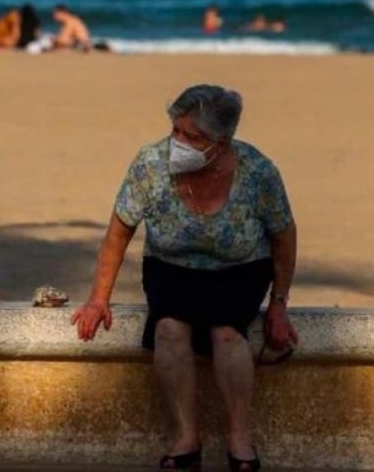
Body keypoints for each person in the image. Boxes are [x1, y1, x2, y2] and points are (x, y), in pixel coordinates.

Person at [71, 84, 298, 472]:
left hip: (239, 270)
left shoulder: (259, 172)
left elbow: (284, 237)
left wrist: (279, 303)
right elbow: (118, 234)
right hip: (170, 268)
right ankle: (185, 438)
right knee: (169, 330)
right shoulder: (149, 164)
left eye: (191, 136)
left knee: (227, 333)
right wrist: (98, 299)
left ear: (220, 142)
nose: (178, 142)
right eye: (175, 130)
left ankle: (240, 439)